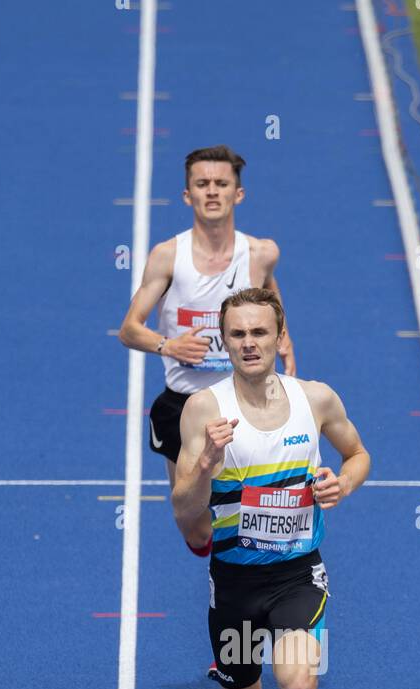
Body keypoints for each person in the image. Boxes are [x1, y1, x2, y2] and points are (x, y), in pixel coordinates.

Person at [172, 288, 370, 689]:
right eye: (238, 335)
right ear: (224, 341)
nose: (249, 344)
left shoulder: (316, 399)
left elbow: (358, 454)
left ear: (279, 336)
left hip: (295, 573)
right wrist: (205, 462)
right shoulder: (205, 410)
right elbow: (183, 511)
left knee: (298, 683)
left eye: (260, 333)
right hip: (234, 582)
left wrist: (343, 485)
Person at [118, 144, 296, 556]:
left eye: (221, 183)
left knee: (261, 522)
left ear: (238, 194)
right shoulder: (167, 257)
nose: (212, 191)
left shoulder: (261, 253)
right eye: (202, 184)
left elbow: (271, 299)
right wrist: (169, 344)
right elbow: (128, 330)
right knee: (195, 529)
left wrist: (284, 335)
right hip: (184, 407)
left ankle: (257, 579)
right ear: (188, 195)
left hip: (247, 403)